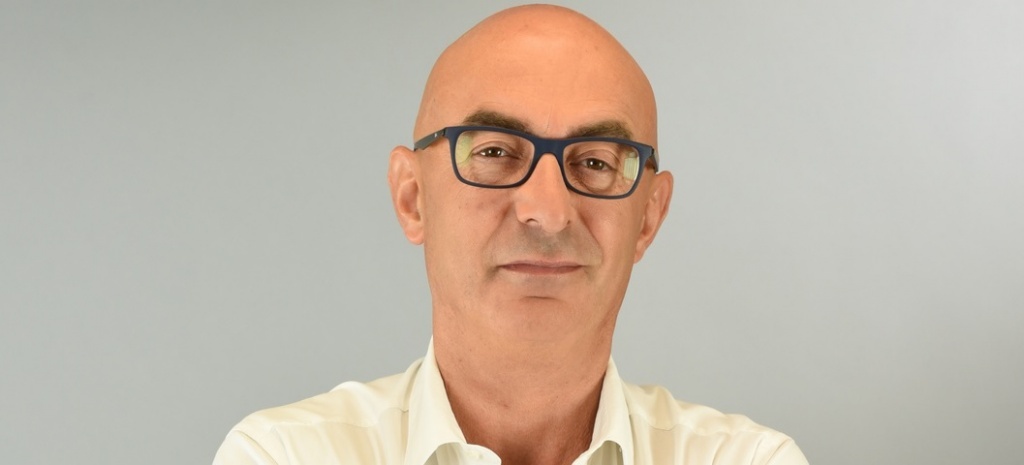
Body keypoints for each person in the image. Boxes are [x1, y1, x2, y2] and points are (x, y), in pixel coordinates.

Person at [213, 5, 807, 465]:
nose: (547, 211)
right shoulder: (283, 456)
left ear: (648, 218)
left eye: (595, 161)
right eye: (495, 152)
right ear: (413, 197)